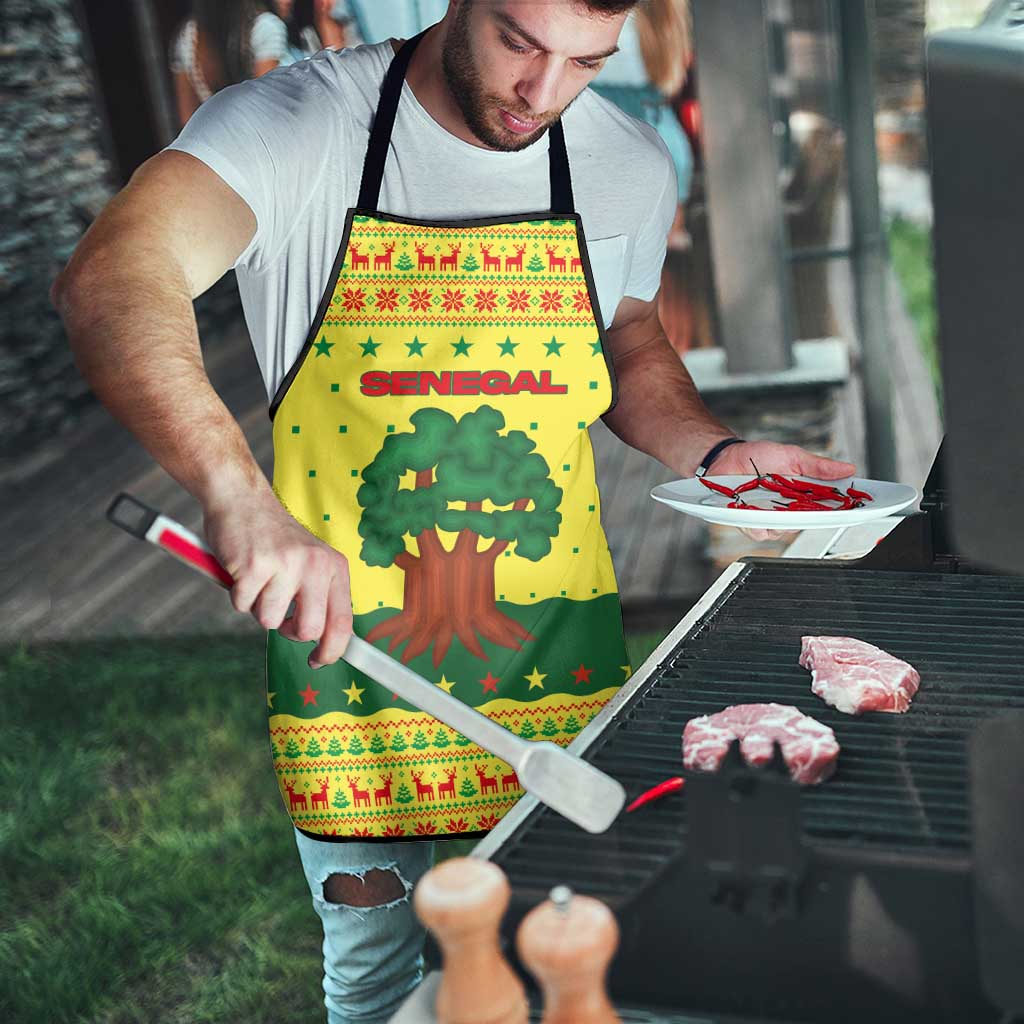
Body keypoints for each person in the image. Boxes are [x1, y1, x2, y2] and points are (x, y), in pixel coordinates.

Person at [53, 2, 856, 1020]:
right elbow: (113, 275)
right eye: (521, 42)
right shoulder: (298, 127)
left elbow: (629, 337)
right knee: (380, 978)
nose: (543, 94)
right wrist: (235, 494)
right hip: (351, 670)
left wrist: (717, 449)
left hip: (557, 657)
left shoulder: (624, 161)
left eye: (585, 62)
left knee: (566, 959)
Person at [170, 0, 289, 127]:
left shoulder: (188, 36)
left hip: (215, 139)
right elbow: (266, 107)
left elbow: (187, 119)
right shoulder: (266, 27)